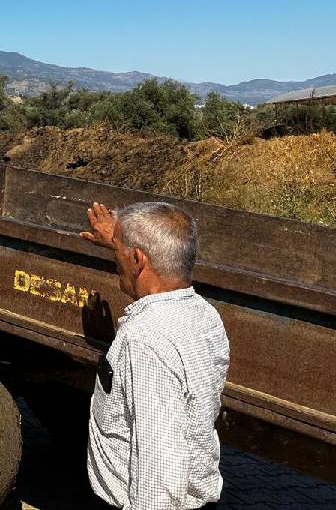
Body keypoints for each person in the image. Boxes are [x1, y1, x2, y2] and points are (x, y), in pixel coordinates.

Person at [80, 201, 229, 510]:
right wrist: (119, 241)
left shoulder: (145, 340)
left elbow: (158, 465)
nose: (115, 262)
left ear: (137, 259)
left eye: (120, 253)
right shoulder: (205, 315)